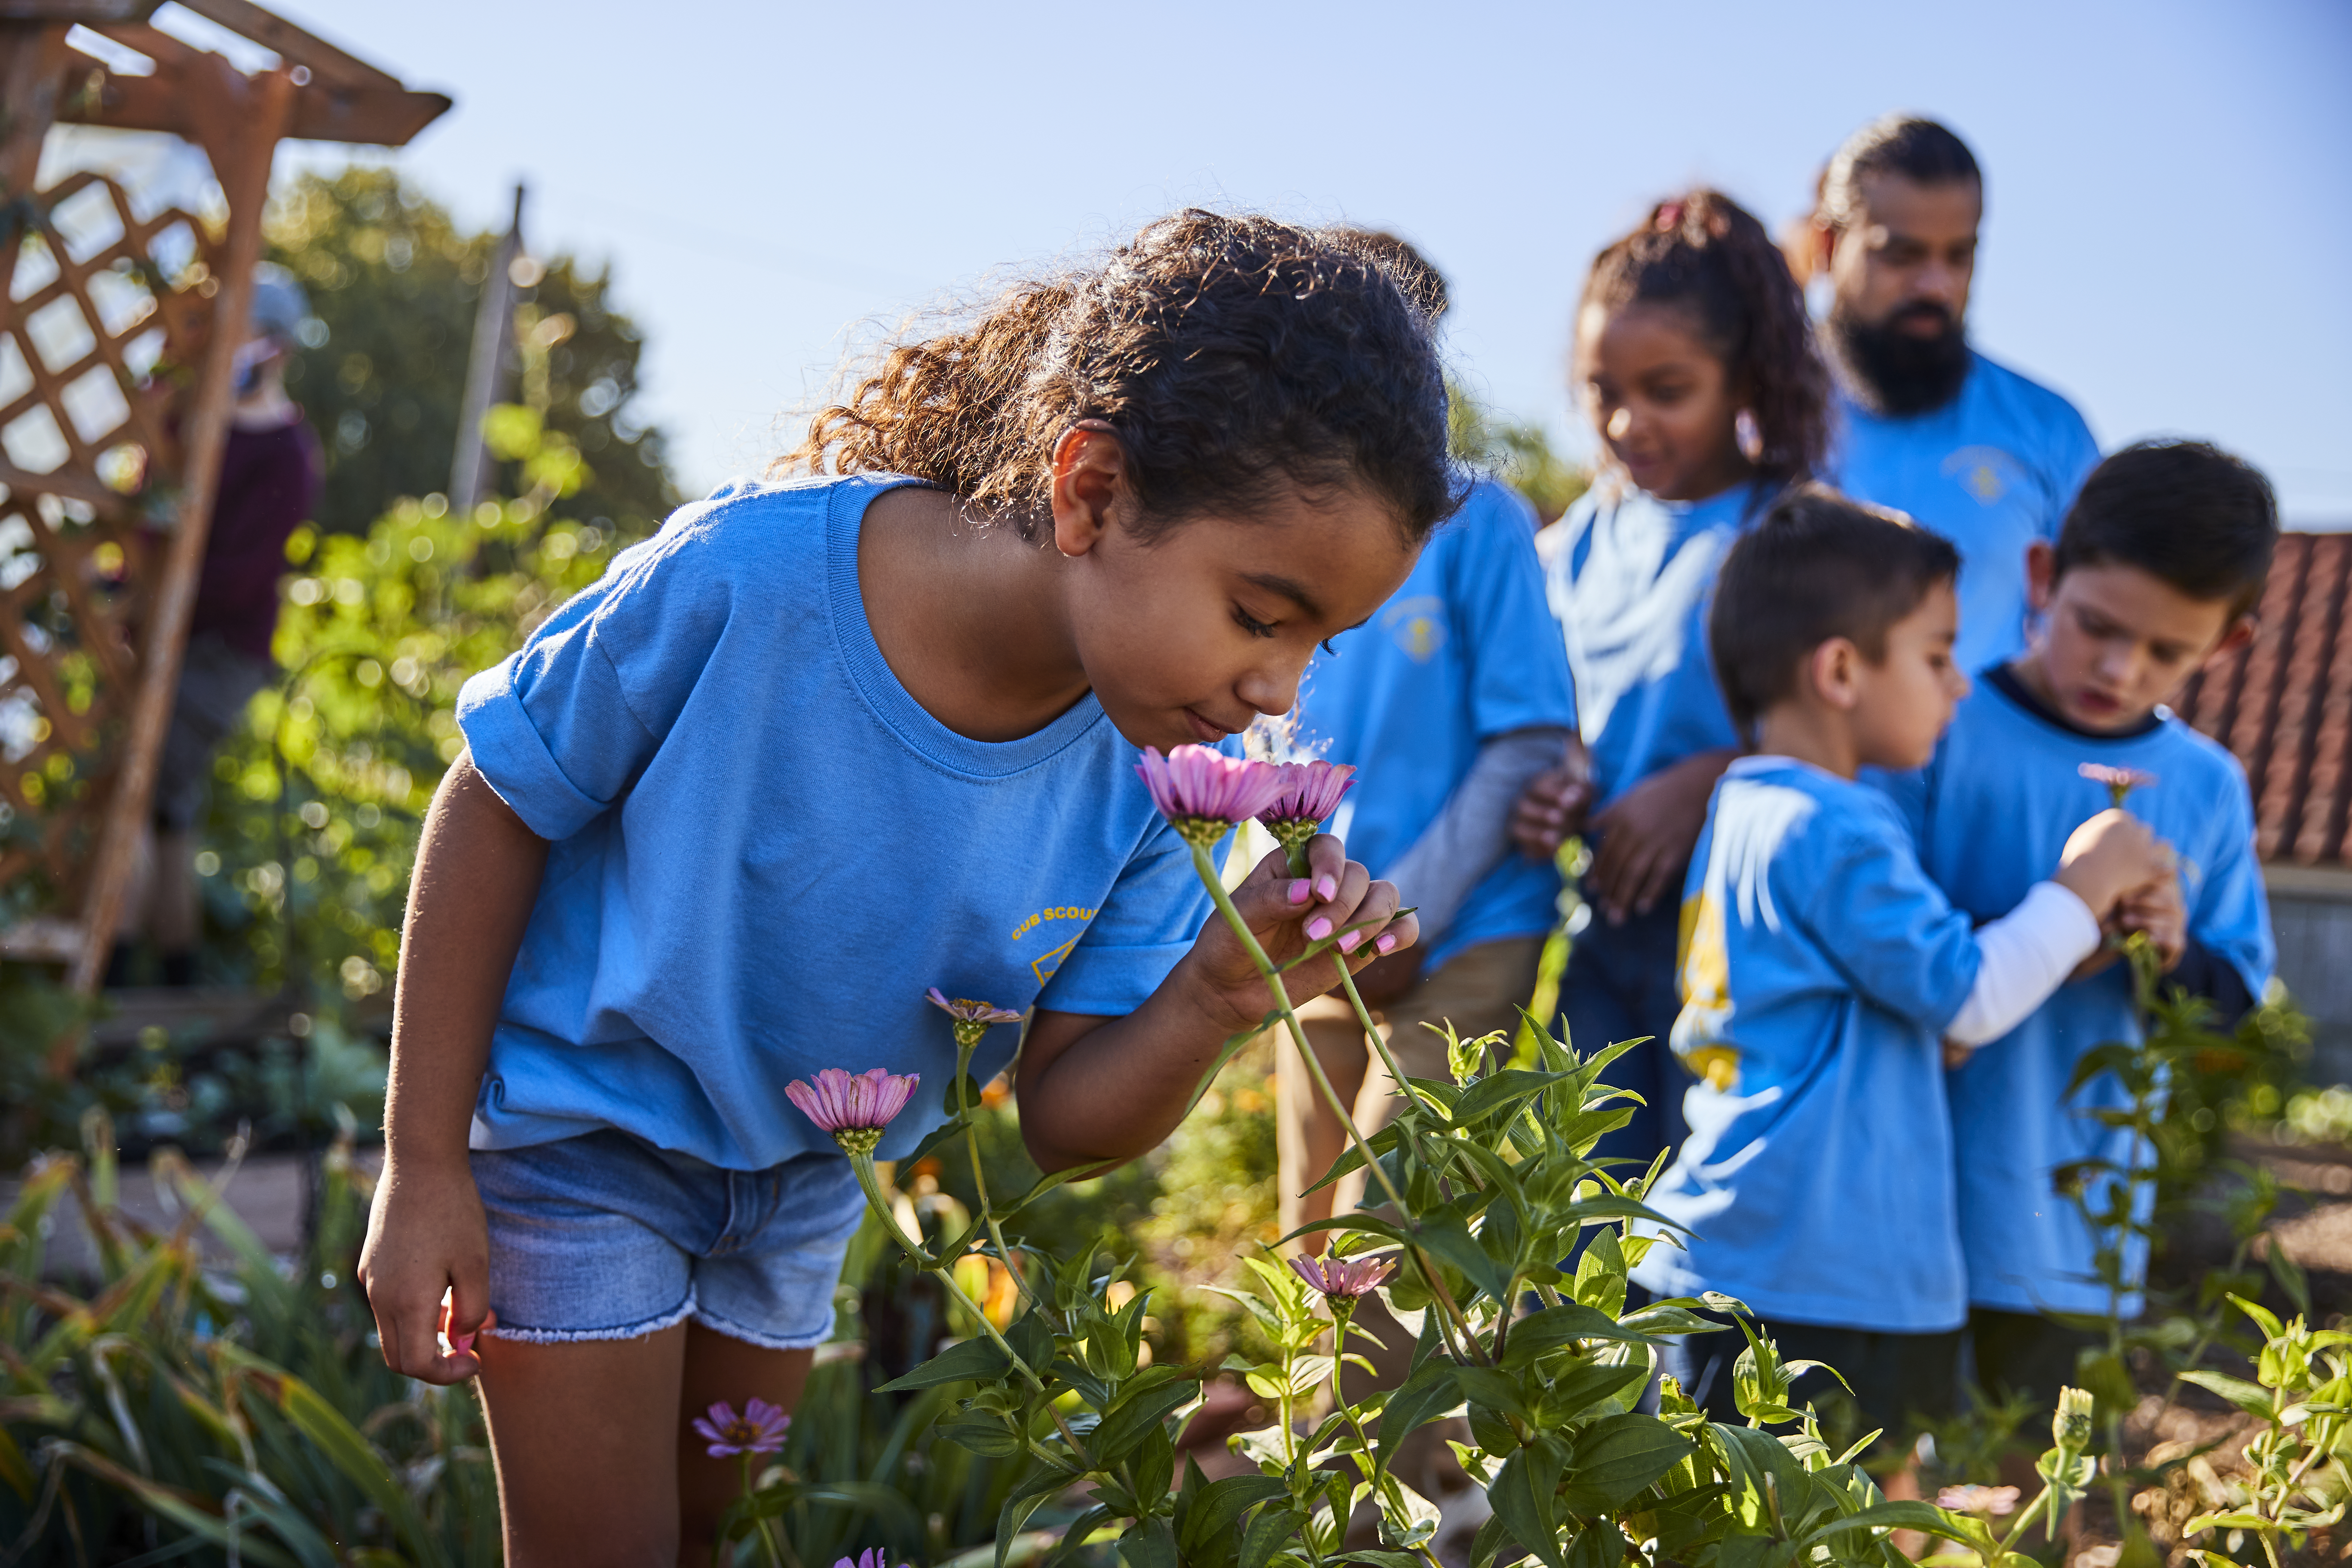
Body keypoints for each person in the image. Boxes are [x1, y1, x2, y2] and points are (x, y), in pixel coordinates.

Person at [355, 211, 1446, 1568]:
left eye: (1317, 644)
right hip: (591, 1142)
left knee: (712, 1537)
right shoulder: (752, 581)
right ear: (1092, 492)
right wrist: (423, 1161)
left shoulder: (1163, 766)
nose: (1277, 689)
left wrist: (1217, 1001)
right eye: (1260, 614)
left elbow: (1062, 1120)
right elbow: (497, 800)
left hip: (804, 1186)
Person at [1629, 487, 2171, 1451]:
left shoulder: (1748, 807)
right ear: (1841, 670)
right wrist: (2086, 884)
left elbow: (1876, 1004)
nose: (1960, 685)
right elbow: (1966, 996)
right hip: (1817, 1280)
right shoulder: (1834, 826)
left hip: (1750, 1257)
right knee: (1840, 1530)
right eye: (1935, 655)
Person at [1890, 440, 2277, 1408]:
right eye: (2096, 625)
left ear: (2226, 646)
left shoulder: (2209, 788)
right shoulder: (1938, 724)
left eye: (2165, 652)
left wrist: (2169, 952)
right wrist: (2064, 918)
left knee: (2029, 1493)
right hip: (1904, 1202)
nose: (2118, 666)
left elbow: (2232, 1002)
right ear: (2041, 575)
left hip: (2078, 1226)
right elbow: (1890, 940)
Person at [1509, 190, 1831, 1170]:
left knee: (1707, 1239)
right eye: (1602, 388)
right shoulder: (1576, 543)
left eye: (1667, 389)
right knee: (1577, 1224)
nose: (1626, 420)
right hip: (1605, 926)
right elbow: (1556, 709)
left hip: (1745, 939)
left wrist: (1703, 783)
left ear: (1745, 381)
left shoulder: (1797, 529)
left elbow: (1852, 732)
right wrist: (1556, 782)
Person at [1276, 230, 1577, 1249]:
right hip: (1322, 934)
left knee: (1393, 1244)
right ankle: (1315, 1423)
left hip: (1459, 928)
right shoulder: (1260, 517)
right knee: (1309, 1243)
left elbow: (1530, 745)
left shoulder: (1476, 518)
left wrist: (1400, 918)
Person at [1795, 113, 2101, 678]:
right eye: (1902, 255)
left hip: (1983, 769)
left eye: (1959, 256)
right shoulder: (1752, 414)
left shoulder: (2050, 431)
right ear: (1827, 244)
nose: (1935, 286)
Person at [111, 263, 323, 987]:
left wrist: (157, 601)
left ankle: (113, 967)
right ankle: (178, 973)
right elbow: (145, 517)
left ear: (279, 350)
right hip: (155, 631)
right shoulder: (184, 421)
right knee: (170, 808)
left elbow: (236, 579)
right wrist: (118, 591)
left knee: (139, 783)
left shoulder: (286, 455)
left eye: (251, 338)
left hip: (219, 652)